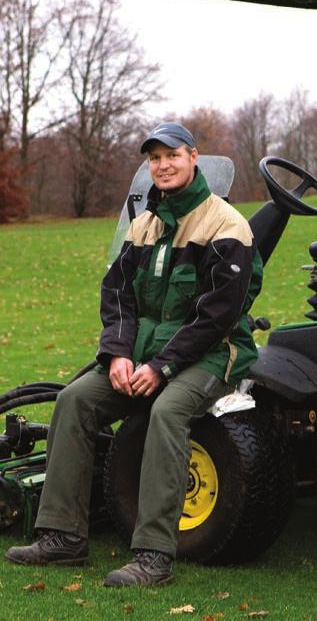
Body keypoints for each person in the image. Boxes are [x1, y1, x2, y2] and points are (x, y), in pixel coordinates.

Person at [5, 122, 263, 588]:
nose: (163, 165)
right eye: (154, 158)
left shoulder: (225, 225)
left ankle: (153, 555)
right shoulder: (144, 226)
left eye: (172, 156)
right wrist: (117, 356)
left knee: (167, 412)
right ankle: (63, 537)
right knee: (75, 400)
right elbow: (118, 298)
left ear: (193, 158)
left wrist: (161, 367)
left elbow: (216, 317)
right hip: (141, 358)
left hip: (211, 357)